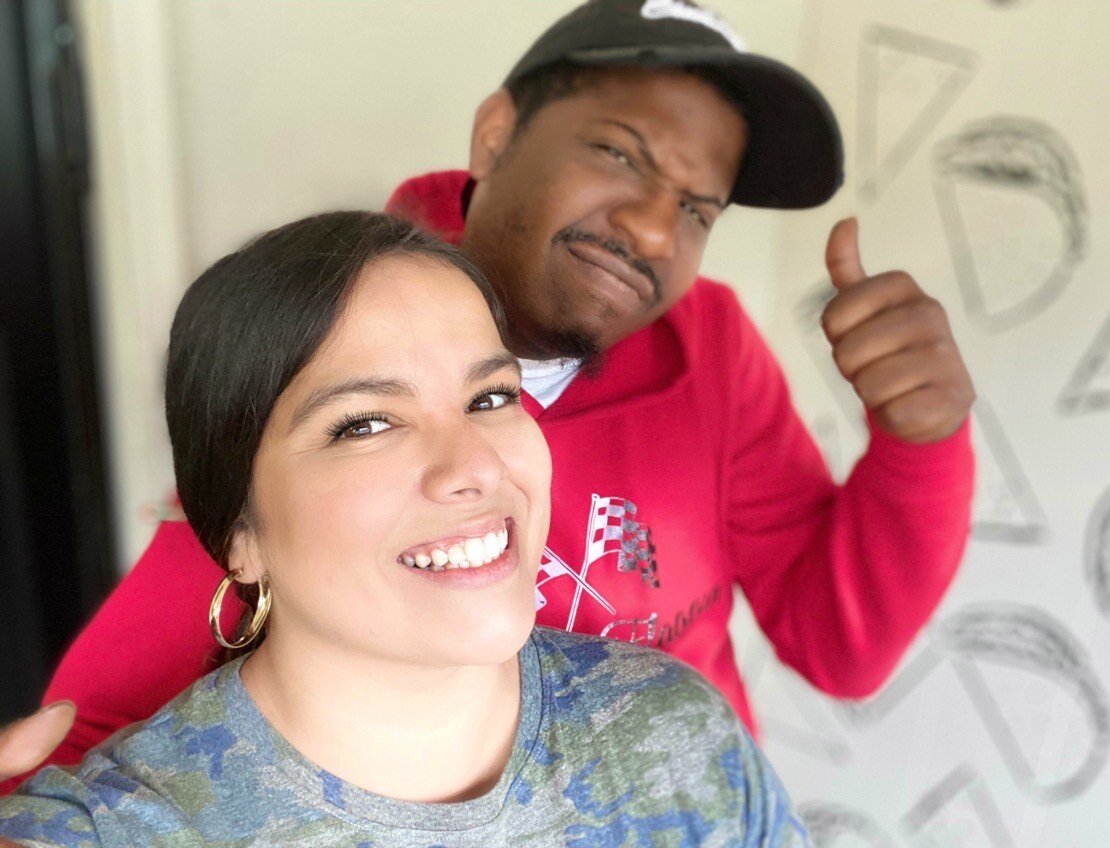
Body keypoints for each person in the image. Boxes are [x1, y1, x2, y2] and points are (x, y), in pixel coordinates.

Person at [1, 0, 975, 790]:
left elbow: (839, 643)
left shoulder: (706, 341)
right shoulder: (328, 339)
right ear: (496, 133)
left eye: (696, 207)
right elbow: (94, 736)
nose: (650, 227)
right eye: (621, 154)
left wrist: (921, 440)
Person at [0, 211, 809, 846]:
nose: (473, 466)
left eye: (491, 398)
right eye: (364, 424)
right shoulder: (110, 832)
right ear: (237, 533)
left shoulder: (671, 732)